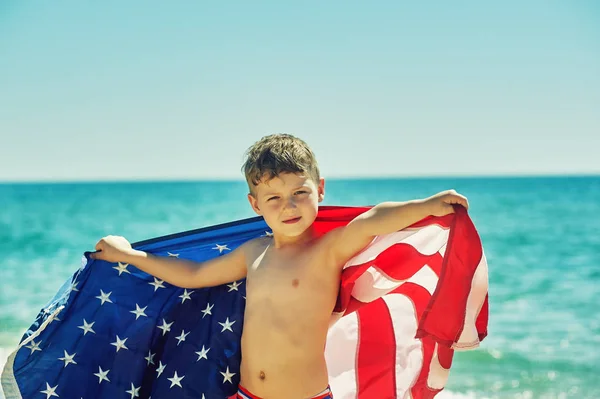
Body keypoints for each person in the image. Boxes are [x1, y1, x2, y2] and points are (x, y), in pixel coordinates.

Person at [91, 133, 469, 399]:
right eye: (274, 198)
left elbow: (372, 220)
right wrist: (130, 256)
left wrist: (427, 205)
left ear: (320, 189)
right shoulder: (254, 253)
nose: (288, 207)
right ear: (255, 205)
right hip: (245, 393)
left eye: (299, 193)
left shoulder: (327, 251)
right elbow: (195, 276)